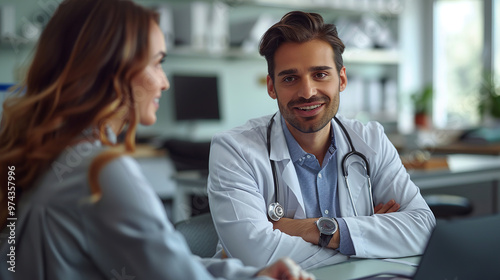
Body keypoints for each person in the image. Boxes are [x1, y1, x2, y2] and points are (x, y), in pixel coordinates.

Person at [0, 1, 315, 279]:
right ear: (114, 69)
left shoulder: (45, 154)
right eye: (156, 62)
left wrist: (250, 275)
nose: (163, 82)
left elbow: (164, 266)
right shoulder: (99, 171)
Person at [207, 11, 436, 270]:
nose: (307, 92)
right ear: (272, 87)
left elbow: (423, 228)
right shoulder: (234, 150)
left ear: (342, 78)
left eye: (320, 74)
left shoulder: (371, 139)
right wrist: (366, 240)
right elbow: (257, 256)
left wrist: (319, 230)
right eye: (290, 78)